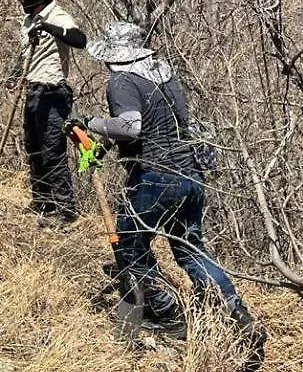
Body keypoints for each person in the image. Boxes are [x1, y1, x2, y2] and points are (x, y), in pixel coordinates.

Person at [81, 20, 265, 369]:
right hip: (190, 178)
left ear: (114, 54)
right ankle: (238, 316)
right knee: (192, 252)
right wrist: (102, 146)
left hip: (155, 179)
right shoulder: (163, 73)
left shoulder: (122, 81)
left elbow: (131, 127)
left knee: (129, 247)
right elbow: (161, 125)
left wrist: (92, 123)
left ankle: (165, 316)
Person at [11, 0, 87, 226]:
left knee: (52, 150)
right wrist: (15, 75)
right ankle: (43, 203)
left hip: (53, 92)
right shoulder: (28, 21)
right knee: (33, 147)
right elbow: (25, 54)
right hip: (33, 89)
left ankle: (66, 210)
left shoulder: (58, 16)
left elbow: (79, 40)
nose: (21, 1)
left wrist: (48, 28)